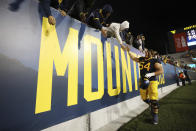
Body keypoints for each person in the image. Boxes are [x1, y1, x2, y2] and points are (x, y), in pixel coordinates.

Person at [128, 49, 164, 125]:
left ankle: (155, 116)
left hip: (152, 81)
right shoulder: (142, 59)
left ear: (151, 53)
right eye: (145, 52)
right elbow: (134, 58)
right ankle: (152, 105)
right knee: (144, 98)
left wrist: (150, 74)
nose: (146, 53)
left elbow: (160, 71)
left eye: (148, 52)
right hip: (143, 81)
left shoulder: (154, 60)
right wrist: (128, 51)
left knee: (153, 99)